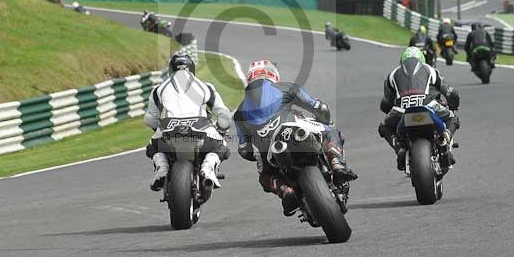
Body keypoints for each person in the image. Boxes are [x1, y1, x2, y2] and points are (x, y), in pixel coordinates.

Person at [233, 60, 357, 216]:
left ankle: (285, 190)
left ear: (250, 78)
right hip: (295, 130)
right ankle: (337, 163)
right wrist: (323, 119)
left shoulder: (239, 112)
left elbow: (244, 149)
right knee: (332, 131)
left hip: (269, 149)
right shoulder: (287, 87)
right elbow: (318, 107)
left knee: (265, 177)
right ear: (274, 75)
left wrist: (258, 146)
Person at [144, 54, 231, 191]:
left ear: (170, 70)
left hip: (169, 129)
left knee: (152, 147)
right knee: (222, 146)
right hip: (200, 128)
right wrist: (221, 131)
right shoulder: (205, 86)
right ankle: (208, 167)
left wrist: (158, 130)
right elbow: (224, 115)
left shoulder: (159, 89)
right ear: (192, 69)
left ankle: (162, 168)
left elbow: (150, 119)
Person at [377, 47, 460, 171]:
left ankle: (400, 148)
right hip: (428, 106)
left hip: (402, 111)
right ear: (422, 59)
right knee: (453, 119)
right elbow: (450, 92)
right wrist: (453, 105)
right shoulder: (430, 69)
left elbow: (386, 102)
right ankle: (445, 139)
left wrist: (390, 110)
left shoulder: (392, 75)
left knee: (384, 126)